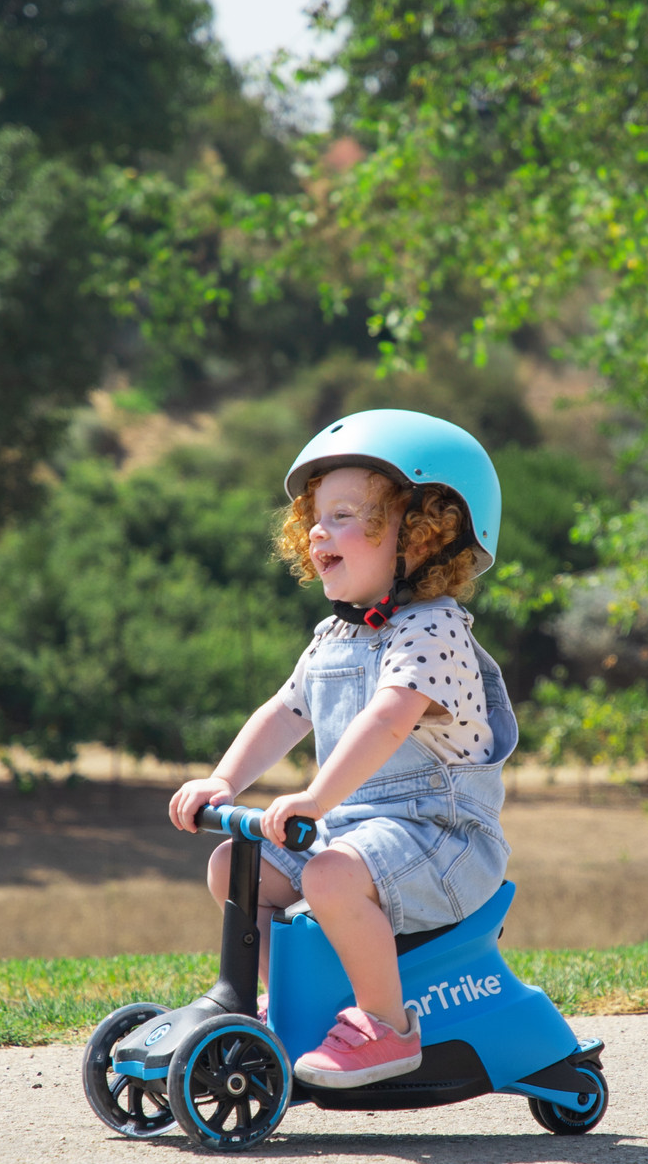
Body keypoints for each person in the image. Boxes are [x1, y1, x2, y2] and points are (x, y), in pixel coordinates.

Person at [168, 409, 517, 1089]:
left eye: (348, 515)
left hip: (444, 840)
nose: (320, 531)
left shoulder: (433, 628)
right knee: (231, 870)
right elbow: (284, 711)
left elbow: (389, 721)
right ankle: (292, 1010)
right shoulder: (334, 638)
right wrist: (223, 781)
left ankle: (388, 1027)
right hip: (361, 833)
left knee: (326, 873)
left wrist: (314, 798)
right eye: (316, 518)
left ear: (423, 537)